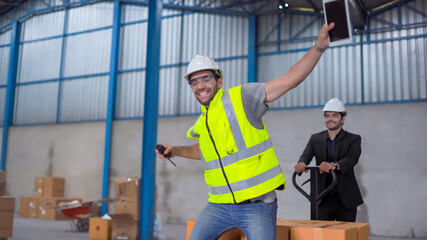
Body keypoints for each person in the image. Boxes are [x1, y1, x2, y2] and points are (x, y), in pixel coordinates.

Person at [155, 23, 335, 240]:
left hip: (256, 207)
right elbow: (204, 150)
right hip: (218, 207)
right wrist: (175, 150)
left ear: (219, 81)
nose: (200, 85)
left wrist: (319, 47)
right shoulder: (203, 122)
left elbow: (288, 81)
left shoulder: (242, 98)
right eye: (194, 81)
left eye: (205, 78)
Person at [294, 98, 363, 222]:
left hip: (346, 199)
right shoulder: (315, 138)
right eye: (327, 116)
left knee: (345, 235)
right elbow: (306, 155)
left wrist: (334, 165)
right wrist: (301, 163)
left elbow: (352, 159)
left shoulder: (353, 139)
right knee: (320, 233)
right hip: (322, 197)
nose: (330, 119)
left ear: (343, 119)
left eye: (334, 116)